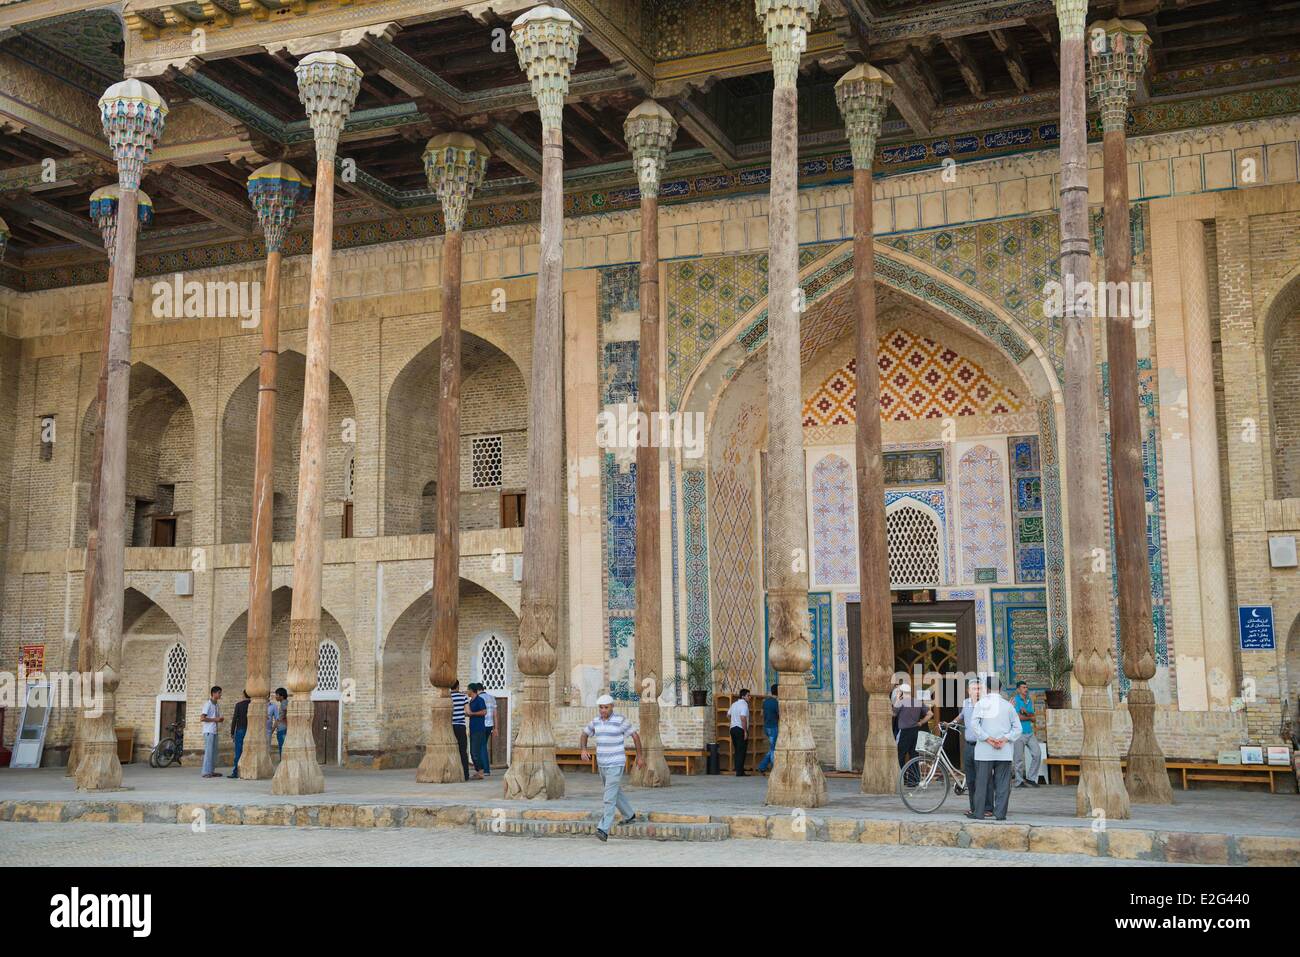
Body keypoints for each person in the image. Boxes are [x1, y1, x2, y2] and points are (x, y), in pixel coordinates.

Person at [580, 694, 643, 842]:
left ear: (612, 707)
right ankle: (629, 815)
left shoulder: (620, 720)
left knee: (608, 797)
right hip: (602, 765)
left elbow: (635, 737)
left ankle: (603, 829)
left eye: (606, 707)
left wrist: (639, 757)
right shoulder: (595, 721)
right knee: (615, 792)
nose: (603, 710)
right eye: (601, 708)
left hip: (616, 763)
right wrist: (583, 749)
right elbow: (584, 734)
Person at [969, 680, 1022, 821]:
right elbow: (1018, 729)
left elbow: (974, 725)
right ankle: (1000, 814)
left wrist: (987, 738)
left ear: (986, 688)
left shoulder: (981, 704)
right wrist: (1005, 739)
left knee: (981, 783)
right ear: (1000, 688)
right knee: (1003, 784)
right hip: (1003, 751)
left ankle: (979, 813)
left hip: (984, 751)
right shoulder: (1008, 706)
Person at [952, 678, 994, 818]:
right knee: (970, 779)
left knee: (984, 778)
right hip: (969, 747)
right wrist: (951, 723)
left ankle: (987, 808)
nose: (976, 691)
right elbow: (962, 716)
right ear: (968, 691)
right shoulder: (966, 703)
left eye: (978, 689)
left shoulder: (985, 704)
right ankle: (974, 807)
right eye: (974, 689)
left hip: (982, 746)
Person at [893, 685, 932, 785]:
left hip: (905, 732)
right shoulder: (918, 702)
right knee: (914, 756)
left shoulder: (901, 702)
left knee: (900, 756)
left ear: (901, 692)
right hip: (915, 731)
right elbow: (930, 714)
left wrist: (897, 698)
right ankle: (913, 780)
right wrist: (921, 722)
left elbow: (893, 713)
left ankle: (902, 779)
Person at [1011, 680, 1042, 788]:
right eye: (1023, 687)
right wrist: (1027, 715)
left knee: (1037, 754)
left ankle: (1030, 778)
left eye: (1026, 687)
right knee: (1018, 758)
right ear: (1018, 689)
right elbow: (1017, 717)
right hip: (1019, 733)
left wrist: (1026, 713)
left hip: (1029, 732)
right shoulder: (1015, 700)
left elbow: (1034, 718)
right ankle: (1019, 781)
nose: (1026, 689)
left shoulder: (1029, 700)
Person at [466, 685, 489, 780]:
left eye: (468, 689)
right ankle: (479, 771)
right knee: (473, 752)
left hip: (479, 730)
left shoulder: (480, 700)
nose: (467, 691)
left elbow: (484, 712)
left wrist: (473, 714)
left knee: (475, 752)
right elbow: (470, 713)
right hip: (473, 729)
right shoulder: (471, 701)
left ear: (471, 690)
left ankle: (481, 772)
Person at [200, 685, 224, 778]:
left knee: (214, 753)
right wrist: (215, 719)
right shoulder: (208, 704)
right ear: (213, 693)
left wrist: (219, 719)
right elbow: (202, 718)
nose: (220, 694)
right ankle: (205, 772)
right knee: (209, 752)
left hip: (214, 731)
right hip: (208, 731)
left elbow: (216, 719)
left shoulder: (217, 705)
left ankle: (211, 771)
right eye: (219, 693)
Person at [756, 684, 779, 774]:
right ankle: (774, 768)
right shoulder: (776, 703)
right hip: (773, 727)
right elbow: (780, 714)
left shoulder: (765, 701)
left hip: (766, 727)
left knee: (772, 748)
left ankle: (762, 766)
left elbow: (761, 714)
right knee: (773, 749)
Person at [727, 688, 751, 776]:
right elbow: (743, 718)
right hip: (740, 729)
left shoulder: (734, 704)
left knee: (737, 750)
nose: (749, 697)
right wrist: (745, 731)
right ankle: (739, 772)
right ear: (743, 696)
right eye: (748, 695)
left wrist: (733, 721)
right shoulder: (744, 705)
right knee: (742, 751)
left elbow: (728, 714)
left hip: (733, 729)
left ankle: (739, 769)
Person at [228, 689, 251, 778]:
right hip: (250, 730)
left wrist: (232, 732)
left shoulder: (239, 705)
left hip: (240, 729)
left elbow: (234, 719)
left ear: (244, 694)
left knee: (238, 751)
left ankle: (236, 772)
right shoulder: (253, 705)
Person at [450, 680, 470, 781]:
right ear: (458, 686)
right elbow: (468, 711)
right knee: (463, 751)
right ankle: (465, 775)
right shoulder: (463, 697)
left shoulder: (447, 697)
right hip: (460, 726)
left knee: (451, 751)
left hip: (450, 727)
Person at [478, 684, 496, 774]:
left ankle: (486, 769)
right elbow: (495, 714)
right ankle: (484, 768)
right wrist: (495, 727)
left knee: (482, 746)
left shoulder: (478, 698)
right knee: (483, 745)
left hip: (481, 725)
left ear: (477, 690)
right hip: (490, 725)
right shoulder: (492, 698)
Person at [272, 688, 288, 757]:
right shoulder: (284, 703)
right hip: (282, 728)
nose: (276, 696)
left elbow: (287, 711)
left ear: (282, 696)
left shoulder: (284, 703)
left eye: (277, 695)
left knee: (282, 748)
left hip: (282, 729)